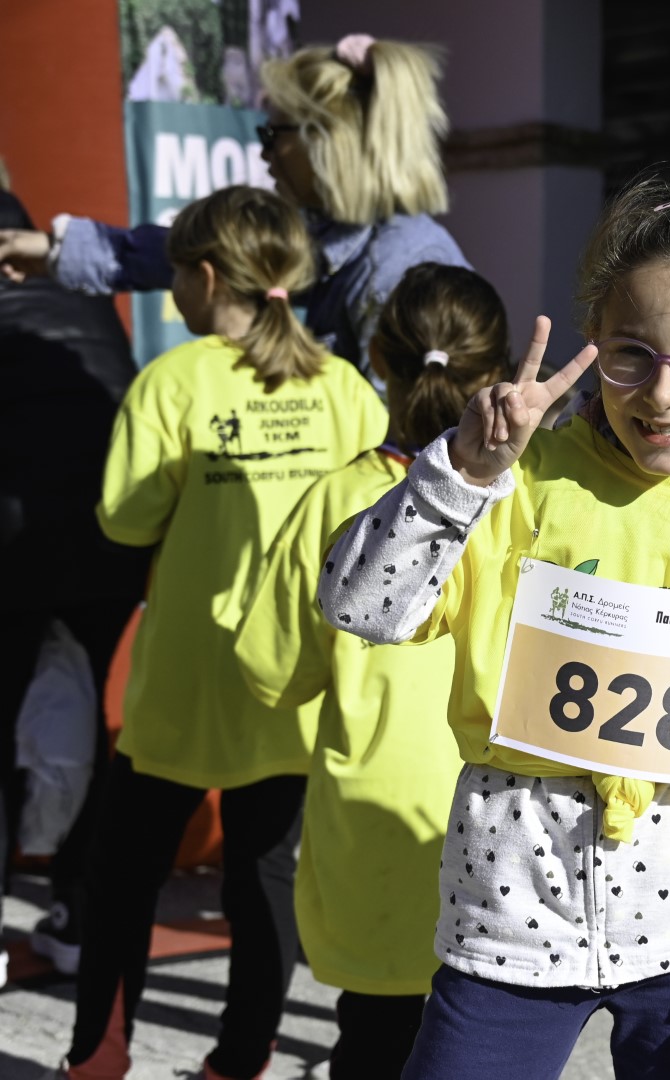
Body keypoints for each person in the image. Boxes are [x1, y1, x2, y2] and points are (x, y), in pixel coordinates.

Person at [318, 173, 670, 1080]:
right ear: (593, 339)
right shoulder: (517, 487)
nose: (664, 395)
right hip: (507, 928)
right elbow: (360, 606)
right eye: (631, 355)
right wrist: (461, 475)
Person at [65, 185, 386, 1080]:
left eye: (174, 272)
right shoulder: (344, 388)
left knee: (123, 875)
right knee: (264, 881)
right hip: (297, 681)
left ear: (206, 278)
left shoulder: (174, 380)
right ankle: (239, 1063)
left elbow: (125, 520)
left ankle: (97, 1056)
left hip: (185, 679)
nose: (172, 289)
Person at [234, 264, 510, 1077]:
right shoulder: (529, 499)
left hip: (371, 827)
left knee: (374, 1041)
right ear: (496, 373)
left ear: (377, 359)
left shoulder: (337, 497)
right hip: (504, 822)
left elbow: (271, 672)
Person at [0, 35, 466, 372]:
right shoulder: (330, 234)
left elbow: (406, 450)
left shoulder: (402, 270)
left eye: (272, 133)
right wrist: (56, 248)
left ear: (326, 141)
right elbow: (193, 255)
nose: (263, 151)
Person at [0, 187, 149, 991]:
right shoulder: (76, 286)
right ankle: (78, 914)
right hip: (109, 532)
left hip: (18, 532)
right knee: (89, 706)